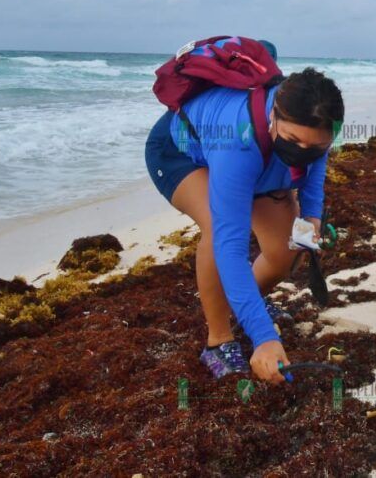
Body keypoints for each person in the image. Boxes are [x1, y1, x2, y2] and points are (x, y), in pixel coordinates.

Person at [145, 66, 343, 382]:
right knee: (216, 228)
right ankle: (219, 339)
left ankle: (246, 308)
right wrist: (265, 338)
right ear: (274, 115)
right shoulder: (238, 144)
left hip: (263, 158)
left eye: (315, 147)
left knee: (286, 251)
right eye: (293, 140)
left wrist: (312, 222)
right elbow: (231, 248)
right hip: (181, 151)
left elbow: (312, 177)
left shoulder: (316, 125)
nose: (302, 152)